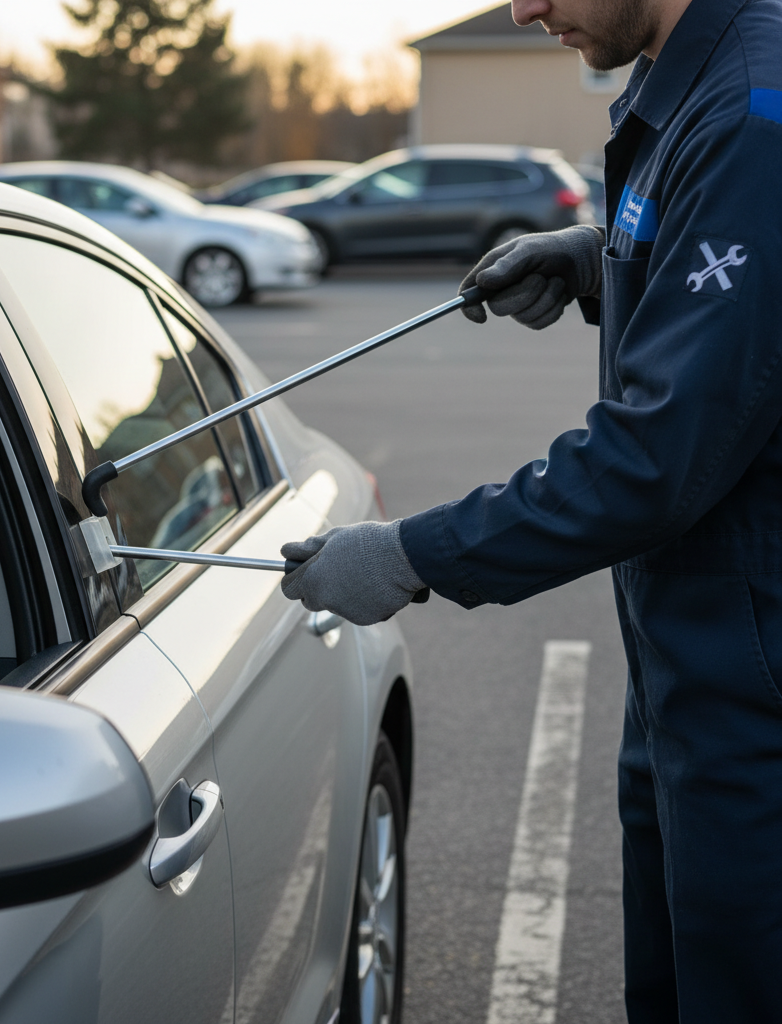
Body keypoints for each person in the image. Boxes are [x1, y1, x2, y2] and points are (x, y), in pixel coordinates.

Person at [279, 0, 782, 1019]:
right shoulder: (692, 84)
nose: (521, 9)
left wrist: (412, 555)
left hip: (755, 684)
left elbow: (653, 460)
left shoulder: (751, 114)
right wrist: (602, 258)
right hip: (691, 666)